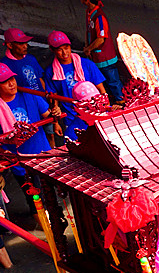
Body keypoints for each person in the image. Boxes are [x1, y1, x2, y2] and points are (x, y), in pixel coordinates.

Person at [1, 63, 60, 216]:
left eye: (12, 78)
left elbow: (48, 115)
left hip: (42, 154)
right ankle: (42, 223)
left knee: (50, 194)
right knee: (33, 197)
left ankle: (55, 219)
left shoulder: (29, 95)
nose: (11, 83)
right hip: (20, 162)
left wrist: (56, 112)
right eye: (5, 81)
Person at [43, 31, 106, 141]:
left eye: (66, 47)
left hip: (94, 113)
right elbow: (54, 96)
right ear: (52, 50)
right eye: (59, 49)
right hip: (71, 117)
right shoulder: (50, 71)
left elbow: (101, 90)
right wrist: (56, 122)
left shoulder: (87, 64)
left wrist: (105, 110)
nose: (64, 52)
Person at [2, 28, 54, 148]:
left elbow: (39, 78)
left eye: (25, 43)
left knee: (49, 132)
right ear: (10, 45)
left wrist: (47, 96)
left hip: (41, 101)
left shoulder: (31, 59)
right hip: (26, 105)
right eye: (21, 43)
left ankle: (54, 153)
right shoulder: (5, 64)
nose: (25, 46)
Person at [75, 0, 124, 103]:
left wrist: (89, 49)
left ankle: (122, 101)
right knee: (101, 80)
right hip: (96, 56)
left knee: (113, 81)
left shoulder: (99, 17)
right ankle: (108, 100)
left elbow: (101, 39)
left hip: (104, 57)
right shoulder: (89, 13)